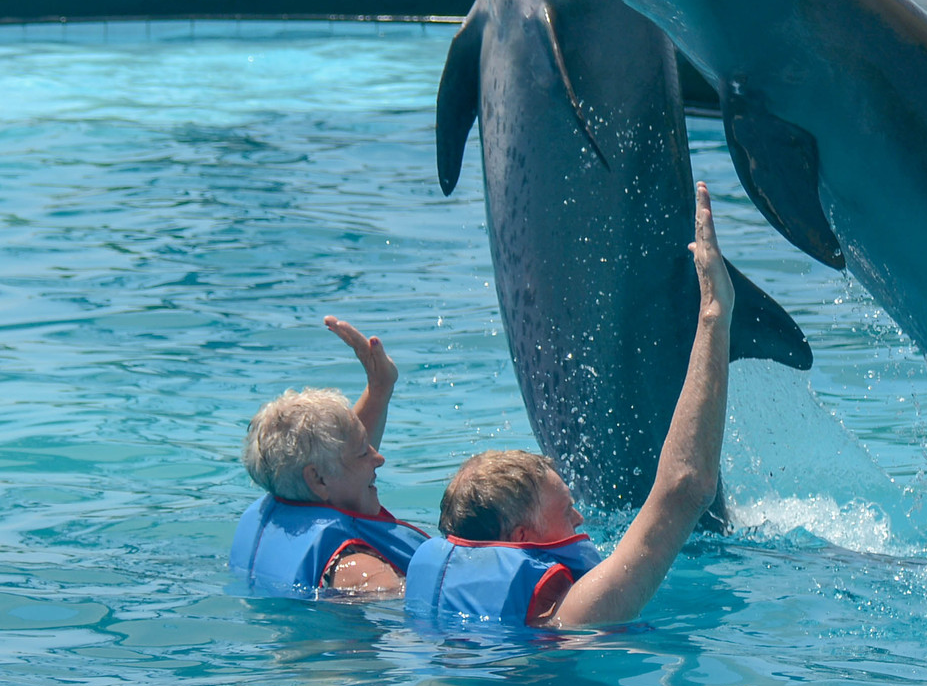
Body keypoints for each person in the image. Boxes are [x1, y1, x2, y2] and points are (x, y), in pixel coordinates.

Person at [404, 182, 735, 629]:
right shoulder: (569, 619)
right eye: (565, 510)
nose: (580, 517)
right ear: (522, 537)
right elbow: (686, 487)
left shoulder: (431, 601)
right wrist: (714, 312)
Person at [230, 316, 429, 596]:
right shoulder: (357, 569)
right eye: (364, 452)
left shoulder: (281, 503)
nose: (379, 458)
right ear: (318, 480)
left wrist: (379, 387)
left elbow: (337, 461)